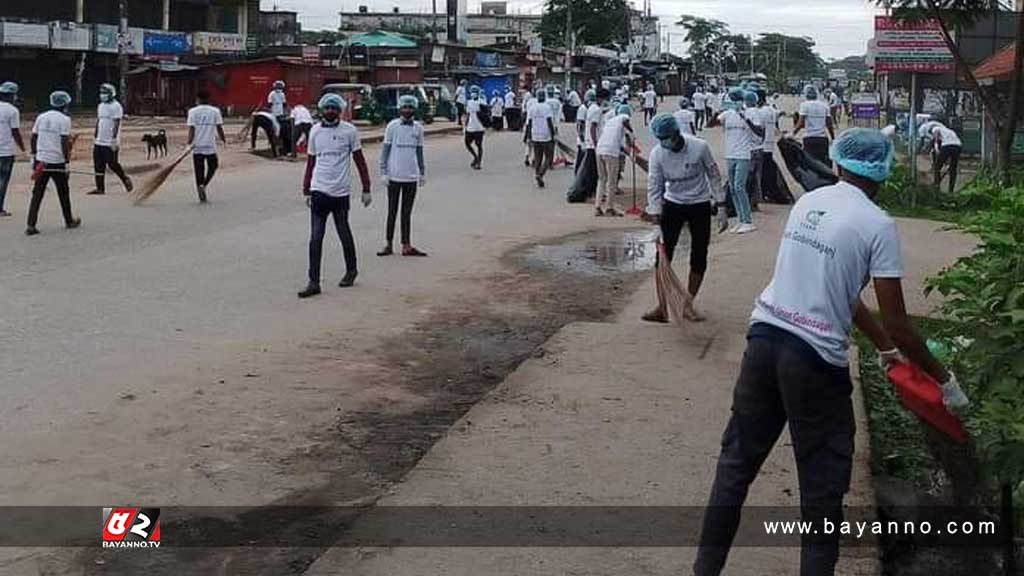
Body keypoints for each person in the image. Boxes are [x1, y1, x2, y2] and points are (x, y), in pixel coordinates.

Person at [694, 128, 969, 576]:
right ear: (881, 173)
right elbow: (899, 321)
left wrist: (882, 348)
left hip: (764, 340)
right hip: (813, 363)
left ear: (839, 164)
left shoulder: (809, 203)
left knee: (735, 467)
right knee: (821, 495)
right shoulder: (878, 224)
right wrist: (944, 381)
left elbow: (843, 295)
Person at [642, 113, 727, 323]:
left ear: (677, 133)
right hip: (673, 205)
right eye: (661, 139)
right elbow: (654, 187)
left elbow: (714, 174)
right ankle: (662, 307)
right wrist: (655, 221)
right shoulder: (657, 154)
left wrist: (722, 204)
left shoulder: (699, 147)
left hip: (699, 204)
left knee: (699, 254)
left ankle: (688, 304)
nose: (666, 143)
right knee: (662, 256)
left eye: (668, 138)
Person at [298, 93, 372, 299]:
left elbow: (360, 161)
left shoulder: (349, 131)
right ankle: (313, 281)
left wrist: (366, 188)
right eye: (327, 108)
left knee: (343, 232)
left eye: (334, 108)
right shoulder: (314, 131)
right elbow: (311, 162)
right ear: (322, 110)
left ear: (339, 111)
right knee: (315, 238)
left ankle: (351, 270)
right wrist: (306, 189)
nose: (330, 111)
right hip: (319, 190)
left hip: (340, 192)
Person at [378, 94, 427, 258]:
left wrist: (422, 172)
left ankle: (406, 245)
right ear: (400, 108)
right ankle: (388, 243)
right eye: (404, 107)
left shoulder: (418, 128)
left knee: (406, 212)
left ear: (414, 109)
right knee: (392, 211)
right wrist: (383, 172)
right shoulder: (392, 126)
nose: (407, 110)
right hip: (394, 175)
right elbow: (385, 151)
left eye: (410, 107)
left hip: (411, 176)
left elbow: (419, 152)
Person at [708, 88, 762, 234]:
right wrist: (717, 112)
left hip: (743, 154)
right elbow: (710, 124)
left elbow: (759, 132)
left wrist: (745, 118)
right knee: (732, 189)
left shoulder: (751, 113)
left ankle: (748, 220)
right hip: (730, 154)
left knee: (739, 186)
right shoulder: (727, 114)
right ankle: (740, 219)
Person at [27, 90, 80, 235]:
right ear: (65, 104)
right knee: (63, 192)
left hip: (41, 160)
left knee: (37, 193)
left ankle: (31, 224)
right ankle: (69, 220)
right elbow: (64, 142)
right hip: (57, 161)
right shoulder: (64, 119)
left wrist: (33, 155)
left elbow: (33, 137)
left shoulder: (41, 117)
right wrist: (67, 161)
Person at [89, 83, 133, 195]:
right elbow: (99, 121)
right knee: (98, 165)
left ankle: (125, 179)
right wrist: (95, 135)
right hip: (99, 140)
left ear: (111, 94)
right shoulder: (101, 106)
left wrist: (114, 139)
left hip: (110, 141)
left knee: (112, 163)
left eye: (105, 93)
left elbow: (116, 123)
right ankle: (100, 188)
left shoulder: (116, 106)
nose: (102, 95)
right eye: (101, 93)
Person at [594, 103, 637, 217]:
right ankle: (609, 208)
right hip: (610, 153)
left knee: (601, 179)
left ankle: (598, 207)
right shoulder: (623, 117)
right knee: (612, 181)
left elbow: (615, 139)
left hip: (600, 150)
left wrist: (627, 150)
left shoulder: (610, 122)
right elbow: (627, 127)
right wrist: (632, 135)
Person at [186, 90, 226, 203]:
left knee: (199, 170)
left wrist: (188, 144)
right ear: (209, 99)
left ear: (197, 99)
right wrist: (224, 139)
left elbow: (191, 130)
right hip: (210, 146)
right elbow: (219, 128)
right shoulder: (215, 111)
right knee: (213, 166)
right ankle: (204, 184)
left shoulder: (192, 111)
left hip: (197, 146)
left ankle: (200, 186)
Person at [0, 81, 25, 217]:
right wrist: (22, 148)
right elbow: (15, 132)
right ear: (11, 95)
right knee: (2, 179)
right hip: (5, 151)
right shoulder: (12, 111)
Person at [794, 85, 835, 167]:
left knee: (810, 164)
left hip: (809, 138)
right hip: (822, 139)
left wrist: (793, 133)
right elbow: (829, 124)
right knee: (823, 164)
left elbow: (801, 123)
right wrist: (833, 137)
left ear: (806, 94)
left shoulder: (804, 105)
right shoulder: (824, 105)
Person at [525, 89, 555, 188]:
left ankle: (537, 175)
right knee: (548, 156)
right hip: (545, 135)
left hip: (535, 135)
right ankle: (540, 174)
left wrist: (528, 136)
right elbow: (549, 121)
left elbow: (529, 123)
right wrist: (553, 134)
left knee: (538, 157)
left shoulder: (532, 108)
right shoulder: (547, 107)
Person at [758, 90, 782, 203]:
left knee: (762, 172)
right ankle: (768, 192)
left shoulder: (761, 112)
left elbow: (759, 129)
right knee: (768, 170)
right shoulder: (771, 110)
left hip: (761, 146)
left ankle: (762, 194)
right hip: (770, 145)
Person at [743, 91, 765, 212]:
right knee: (756, 177)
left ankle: (750, 203)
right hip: (758, 148)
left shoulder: (750, 113)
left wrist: (748, 122)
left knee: (749, 178)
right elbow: (764, 132)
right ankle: (754, 203)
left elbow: (759, 130)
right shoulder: (760, 112)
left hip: (750, 150)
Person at [931, 123, 962, 194]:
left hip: (947, 146)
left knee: (937, 167)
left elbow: (936, 135)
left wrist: (936, 148)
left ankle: (937, 186)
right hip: (958, 146)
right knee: (953, 169)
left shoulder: (936, 128)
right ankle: (951, 190)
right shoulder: (950, 131)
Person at [267, 80, 293, 156]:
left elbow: (284, 104)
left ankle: (280, 144)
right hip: (275, 113)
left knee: (280, 129)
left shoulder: (281, 94)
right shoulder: (272, 94)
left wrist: (286, 111)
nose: (279, 88)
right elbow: (270, 104)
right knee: (276, 128)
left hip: (280, 114)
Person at [464, 86, 485, 170]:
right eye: (472, 92)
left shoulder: (482, 102)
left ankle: (479, 162)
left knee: (479, 145)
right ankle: (475, 157)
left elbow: (486, 115)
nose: (473, 93)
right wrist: (465, 125)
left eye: (474, 92)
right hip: (470, 127)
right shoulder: (469, 102)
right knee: (467, 143)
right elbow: (468, 115)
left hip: (479, 127)